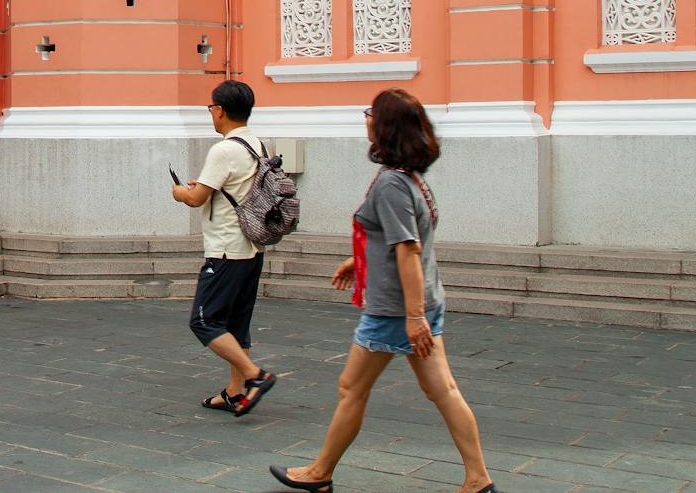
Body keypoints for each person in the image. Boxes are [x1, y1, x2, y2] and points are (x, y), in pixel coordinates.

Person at [268, 88, 494, 493]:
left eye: (371, 113)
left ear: (385, 127)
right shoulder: (410, 178)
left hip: (395, 310)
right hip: (423, 299)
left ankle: (319, 473)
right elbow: (400, 238)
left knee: (352, 388)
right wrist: (359, 261)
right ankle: (478, 479)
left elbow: (408, 248)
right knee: (442, 389)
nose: (366, 118)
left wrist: (413, 317)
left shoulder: (391, 183)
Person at [170, 79, 278, 417]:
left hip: (226, 249)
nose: (211, 114)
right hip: (252, 247)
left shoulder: (224, 149)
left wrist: (181, 193)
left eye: (211, 108)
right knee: (237, 323)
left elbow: (196, 199)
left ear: (220, 110)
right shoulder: (256, 144)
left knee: (204, 320)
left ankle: (255, 376)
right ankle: (234, 391)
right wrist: (203, 187)